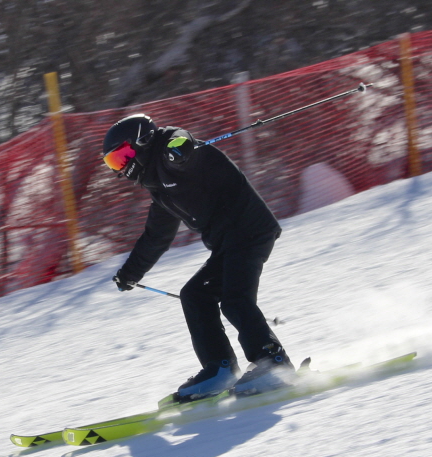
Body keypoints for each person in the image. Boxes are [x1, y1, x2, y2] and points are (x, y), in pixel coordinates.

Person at [102, 113, 294, 401]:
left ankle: (273, 362)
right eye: (114, 163)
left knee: (234, 299)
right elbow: (156, 237)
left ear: (142, 142)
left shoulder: (173, 156)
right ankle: (220, 369)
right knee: (194, 295)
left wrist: (179, 148)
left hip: (249, 230)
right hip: (229, 243)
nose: (122, 167)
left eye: (122, 156)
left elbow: (181, 140)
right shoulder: (161, 191)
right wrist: (130, 272)